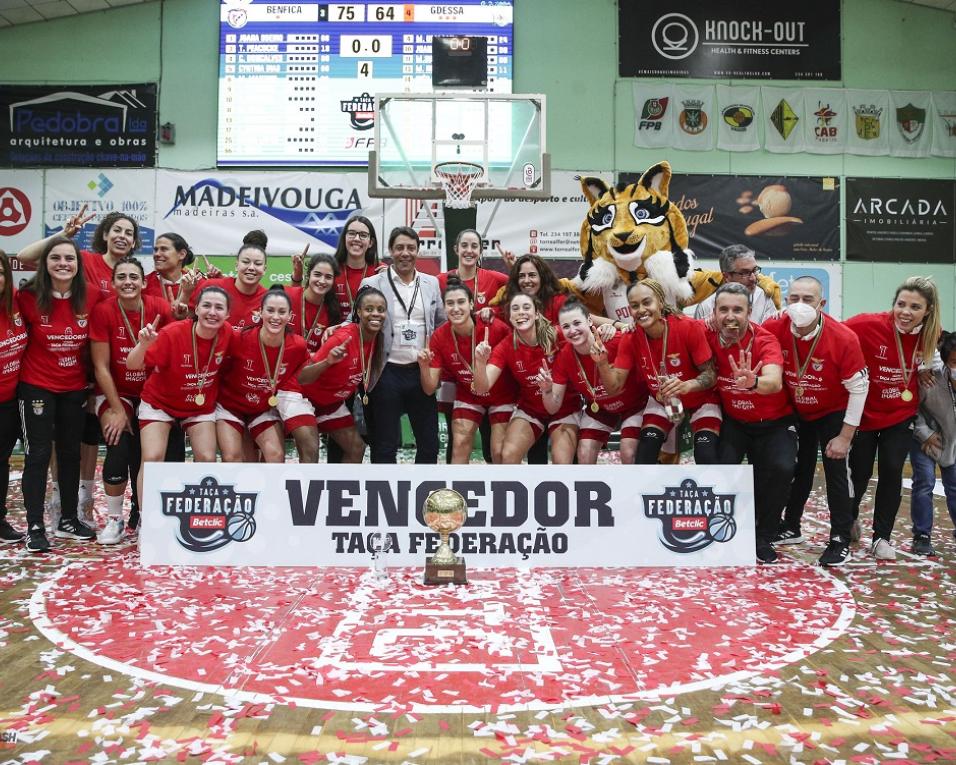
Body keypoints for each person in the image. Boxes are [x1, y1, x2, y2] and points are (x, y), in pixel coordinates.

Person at [763, 277, 869, 567]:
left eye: (807, 299)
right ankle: (791, 525)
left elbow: (859, 389)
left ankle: (840, 538)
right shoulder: (773, 327)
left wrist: (845, 437)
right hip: (796, 409)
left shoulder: (843, 337)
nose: (799, 305)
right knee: (797, 467)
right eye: (793, 298)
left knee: (836, 470)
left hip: (832, 411)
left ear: (822, 304)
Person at [845, 276, 942, 560]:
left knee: (891, 471)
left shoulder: (930, 334)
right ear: (893, 305)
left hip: (900, 415)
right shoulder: (867, 324)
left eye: (915, 307)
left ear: (927, 311)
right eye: (901, 304)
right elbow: (832, 333)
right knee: (859, 473)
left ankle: (881, 538)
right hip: (864, 415)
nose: (906, 312)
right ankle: (849, 521)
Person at [17, 236, 102, 553]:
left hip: (74, 387)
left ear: (79, 266)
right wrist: (62, 234)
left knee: (70, 454)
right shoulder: (28, 296)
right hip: (36, 385)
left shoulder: (91, 296)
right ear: (45, 264)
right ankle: (35, 526)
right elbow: (25, 254)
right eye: (56, 258)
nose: (63, 263)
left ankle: (68, 519)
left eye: (70, 258)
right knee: (38, 455)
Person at [705, 282, 796, 564]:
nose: (730, 316)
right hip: (736, 423)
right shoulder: (705, 334)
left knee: (781, 469)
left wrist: (753, 382)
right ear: (714, 312)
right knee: (723, 471)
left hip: (774, 422)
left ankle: (765, 535)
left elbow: (773, 381)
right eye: (724, 310)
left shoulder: (765, 341)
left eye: (737, 310)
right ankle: (725, 531)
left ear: (749, 312)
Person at [127, 286, 232, 512]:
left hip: (199, 406)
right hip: (160, 403)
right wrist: (143, 344)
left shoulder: (229, 334)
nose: (212, 312)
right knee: (153, 458)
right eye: (206, 306)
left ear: (228, 314)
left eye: (219, 307)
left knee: (206, 457)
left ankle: (200, 515)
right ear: (196, 309)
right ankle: (147, 520)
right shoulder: (172, 333)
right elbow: (132, 364)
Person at [89, 257, 173, 544]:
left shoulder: (159, 308)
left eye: (133, 276)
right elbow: (101, 366)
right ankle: (115, 520)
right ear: (113, 283)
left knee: (146, 455)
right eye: (121, 277)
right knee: (118, 444)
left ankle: (141, 515)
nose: (128, 282)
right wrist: (115, 408)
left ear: (143, 281)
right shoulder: (103, 311)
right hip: (118, 392)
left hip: (152, 392)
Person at [599, 279, 720, 465]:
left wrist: (687, 385)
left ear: (661, 303)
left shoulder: (687, 327)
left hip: (701, 400)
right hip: (662, 401)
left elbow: (711, 375)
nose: (641, 310)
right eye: (634, 305)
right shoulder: (631, 337)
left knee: (706, 455)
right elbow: (614, 387)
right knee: (646, 450)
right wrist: (601, 363)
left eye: (647, 302)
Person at [359, 227, 445, 464]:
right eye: (399, 248)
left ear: (418, 250)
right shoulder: (372, 282)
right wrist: (337, 329)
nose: (405, 253)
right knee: (385, 445)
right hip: (386, 371)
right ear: (391, 251)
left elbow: (442, 323)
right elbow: (356, 320)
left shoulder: (431, 283)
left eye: (410, 247)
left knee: (429, 444)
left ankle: (423, 496)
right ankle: (383, 496)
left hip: (421, 372)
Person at [473, 293, 580, 464]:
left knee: (562, 463)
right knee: (507, 456)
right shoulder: (506, 346)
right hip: (532, 410)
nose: (521, 312)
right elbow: (482, 388)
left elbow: (585, 329)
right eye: (515, 309)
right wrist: (480, 362)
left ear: (537, 313)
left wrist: (612, 326)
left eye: (526, 307)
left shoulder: (557, 335)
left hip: (564, 409)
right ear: (510, 317)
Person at [418, 277, 515, 463]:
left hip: (503, 395)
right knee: (460, 444)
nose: (455, 308)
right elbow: (430, 388)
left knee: (499, 452)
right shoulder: (439, 337)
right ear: (444, 307)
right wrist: (423, 367)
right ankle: (455, 492)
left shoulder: (495, 328)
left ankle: (501, 490)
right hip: (468, 393)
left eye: (461, 302)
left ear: (471, 304)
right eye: (450, 303)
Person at [541, 300, 648, 464]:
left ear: (589, 321)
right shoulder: (564, 357)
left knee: (628, 452)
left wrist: (621, 326)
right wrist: (547, 390)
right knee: (584, 452)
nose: (573, 331)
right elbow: (553, 406)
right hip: (601, 407)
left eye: (577, 323)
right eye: (566, 326)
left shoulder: (616, 340)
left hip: (635, 404)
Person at [217, 288, 309, 463]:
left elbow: (305, 375)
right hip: (230, 406)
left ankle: (271, 491)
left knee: (276, 456)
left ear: (290, 316)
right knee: (232, 457)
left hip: (263, 408)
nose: (275, 317)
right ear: (260, 312)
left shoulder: (298, 346)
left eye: (282, 312)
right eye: (270, 310)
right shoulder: (238, 339)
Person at [297, 286, 388, 463]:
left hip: (331, 403)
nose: (375, 314)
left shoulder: (380, 340)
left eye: (380, 309)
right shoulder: (342, 338)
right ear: (359, 312)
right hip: (304, 399)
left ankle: (342, 491)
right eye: (369, 309)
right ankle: (305, 490)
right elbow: (302, 377)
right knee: (311, 451)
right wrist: (327, 362)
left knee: (356, 448)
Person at [281, 253, 343, 462]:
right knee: (299, 446)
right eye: (317, 274)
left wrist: (339, 328)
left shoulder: (332, 312)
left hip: (314, 383)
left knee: (355, 445)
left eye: (328, 277)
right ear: (309, 275)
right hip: (283, 383)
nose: (322, 281)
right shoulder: (288, 296)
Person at [910, 330, 956, 555]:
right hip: (926, 440)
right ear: (946, 360)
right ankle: (922, 535)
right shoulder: (930, 378)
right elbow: (912, 409)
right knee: (925, 482)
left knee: (955, 485)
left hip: (954, 442)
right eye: (955, 362)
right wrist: (924, 433)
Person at [0, 251, 28, 543]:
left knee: (2, 460)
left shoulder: (16, 301)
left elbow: (28, 257)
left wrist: (64, 235)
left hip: (12, 398)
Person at [192, 231, 267, 330]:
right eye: (245, 262)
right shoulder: (210, 287)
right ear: (236, 265)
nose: (251, 267)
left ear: (264, 269)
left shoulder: (268, 300)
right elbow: (186, 320)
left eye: (257, 263)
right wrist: (185, 293)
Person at [694, 244, 780, 325]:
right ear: (726, 276)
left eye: (754, 270)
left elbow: (771, 335)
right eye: (745, 273)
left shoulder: (764, 297)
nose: (753, 278)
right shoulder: (706, 306)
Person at [439, 229, 508, 310]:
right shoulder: (440, 281)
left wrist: (513, 266)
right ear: (456, 249)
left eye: (474, 246)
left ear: (481, 250)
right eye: (464, 245)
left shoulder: (493, 278)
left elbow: (520, 285)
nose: (469, 250)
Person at [144, 232, 201, 320]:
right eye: (155, 250)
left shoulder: (197, 284)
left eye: (164, 249)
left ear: (182, 254)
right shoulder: (143, 284)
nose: (157, 254)